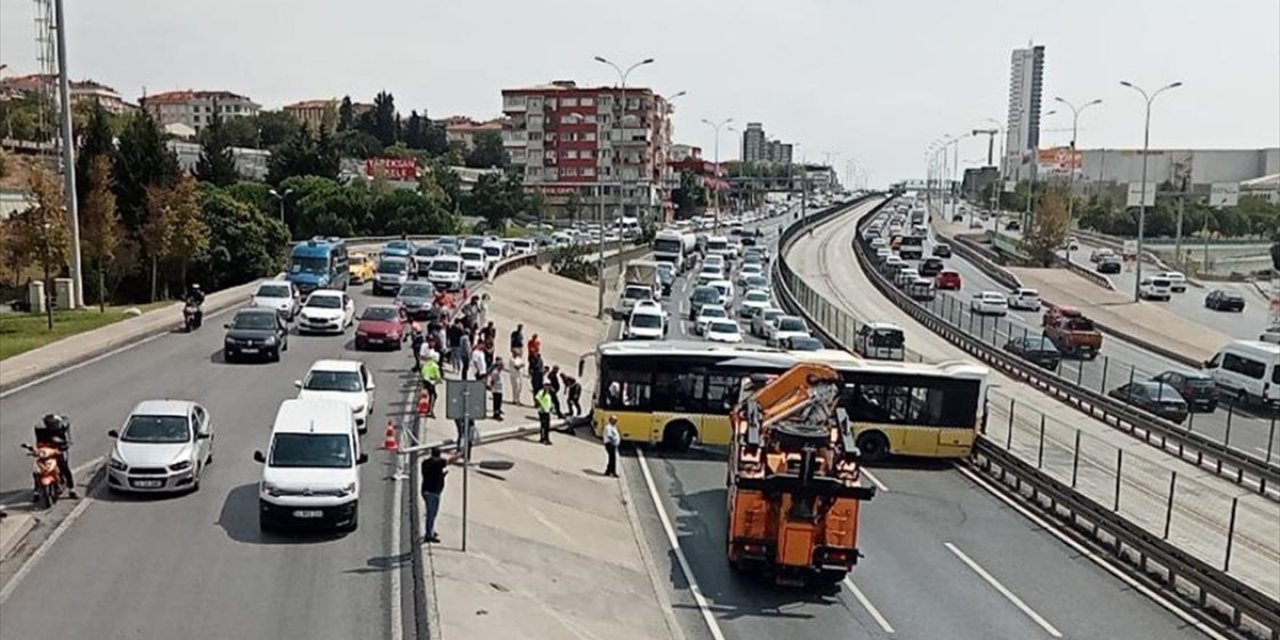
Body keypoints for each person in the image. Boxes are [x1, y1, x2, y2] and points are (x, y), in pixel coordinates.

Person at [421, 447, 462, 544]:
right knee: (432, 514)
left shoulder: (425, 463)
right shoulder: (438, 463)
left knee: (430, 513)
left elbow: (430, 474)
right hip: (433, 492)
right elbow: (450, 461)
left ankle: (430, 530)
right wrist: (460, 454)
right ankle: (429, 535)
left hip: (425, 490)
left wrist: (442, 475)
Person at [33, 414, 76, 499]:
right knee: (37, 471)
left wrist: (64, 445)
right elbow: (39, 443)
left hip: (57, 451)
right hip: (46, 453)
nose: (54, 426)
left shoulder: (61, 429)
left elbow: (66, 441)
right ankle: (36, 491)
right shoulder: (41, 431)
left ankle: (72, 490)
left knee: (64, 467)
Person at [420, 351, 442, 417]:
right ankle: (430, 410)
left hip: (425, 381)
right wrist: (438, 380)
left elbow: (423, 372)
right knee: (434, 396)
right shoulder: (435, 366)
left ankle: (428, 409)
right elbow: (438, 376)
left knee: (429, 395)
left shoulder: (426, 364)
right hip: (431, 382)